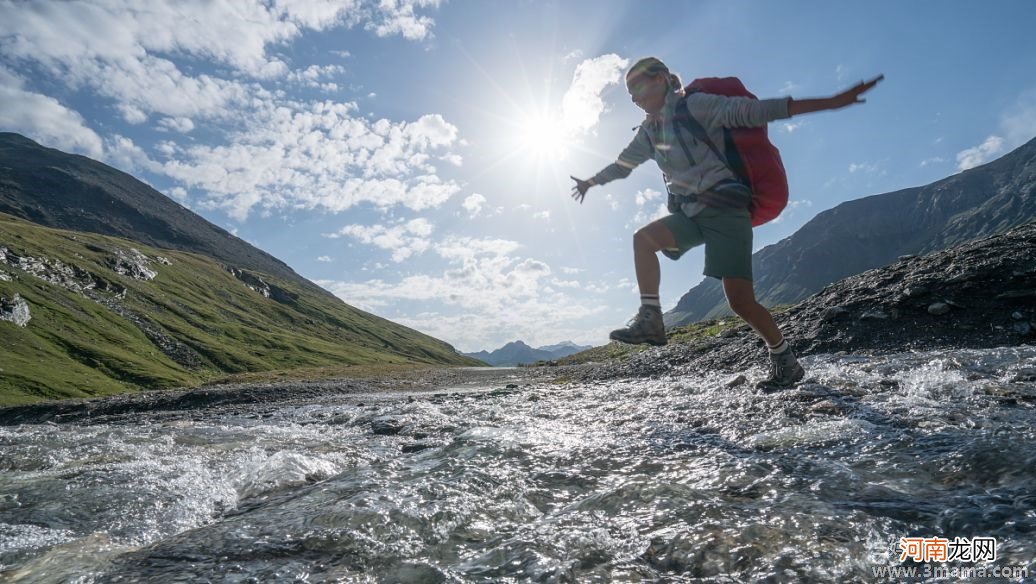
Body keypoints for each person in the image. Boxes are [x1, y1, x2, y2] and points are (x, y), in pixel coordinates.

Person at [571, 57, 882, 390]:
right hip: (691, 214)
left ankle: (785, 360)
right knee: (643, 240)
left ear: (661, 79)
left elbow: (760, 111)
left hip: (727, 210)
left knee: (740, 302)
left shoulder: (698, 106)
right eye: (629, 93)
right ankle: (651, 318)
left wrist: (832, 102)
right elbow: (623, 164)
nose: (633, 98)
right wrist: (591, 181)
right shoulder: (650, 131)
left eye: (637, 88)